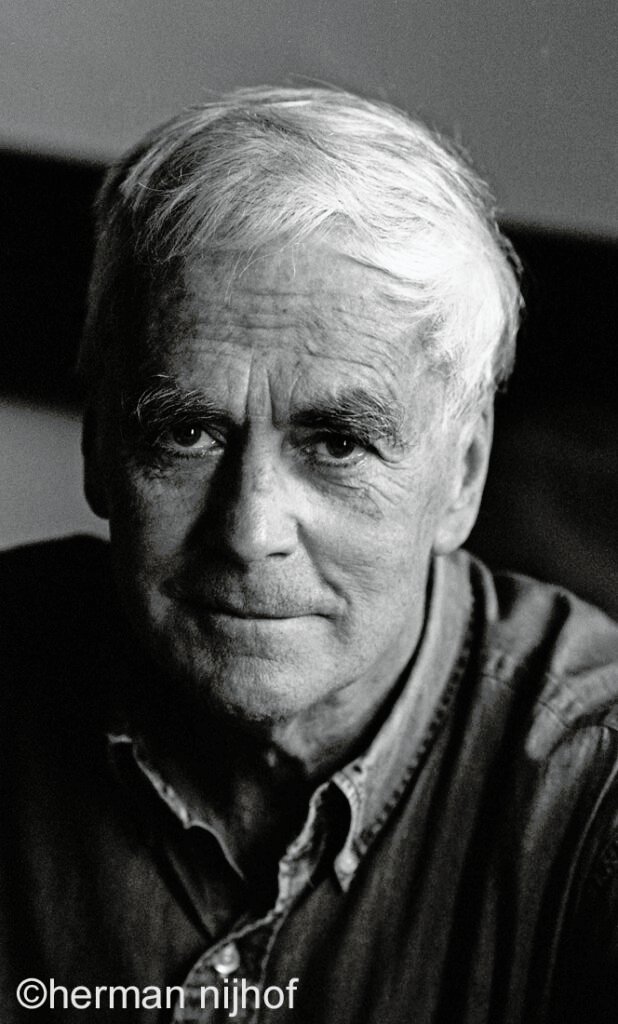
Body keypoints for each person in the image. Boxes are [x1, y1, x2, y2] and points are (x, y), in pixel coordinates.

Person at [1, 86, 617, 1024]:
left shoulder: (591, 795)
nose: (250, 531)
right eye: (188, 432)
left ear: (463, 476)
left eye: (336, 444)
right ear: (98, 450)